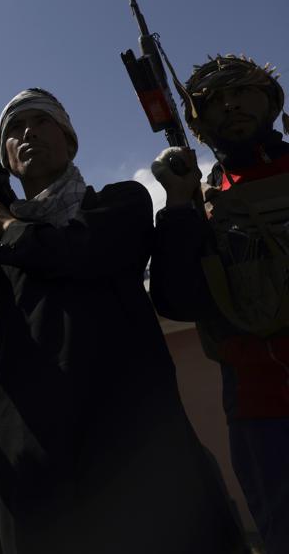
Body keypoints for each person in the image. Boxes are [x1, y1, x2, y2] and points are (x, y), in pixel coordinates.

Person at [0, 90, 242, 554]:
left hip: (136, 448)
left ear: (69, 141)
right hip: (39, 470)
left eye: (40, 122)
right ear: (5, 162)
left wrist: (8, 228)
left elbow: (80, 253)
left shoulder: (119, 203)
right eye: (14, 129)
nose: (27, 132)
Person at [150, 54, 289, 552]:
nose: (230, 105)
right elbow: (178, 299)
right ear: (199, 123)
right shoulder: (201, 203)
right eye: (214, 102)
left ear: (270, 101)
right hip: (262, 413)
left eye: (243, 92)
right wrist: (179, 206)